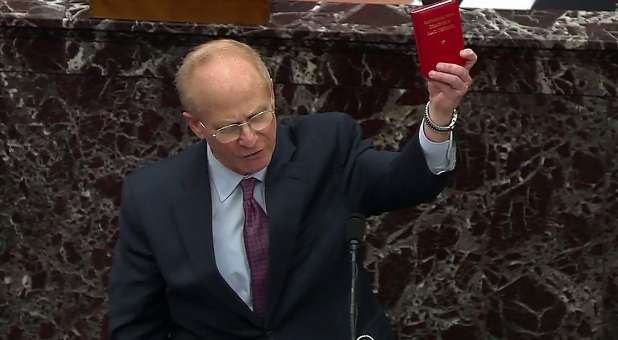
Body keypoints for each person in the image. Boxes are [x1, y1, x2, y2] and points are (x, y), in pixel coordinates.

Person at [108, 39, 477, 340]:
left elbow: (406, 181)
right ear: (197, 126)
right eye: (229, 128)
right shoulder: (152, 198)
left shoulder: (325, 146)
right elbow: (135, 326)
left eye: (258, 116)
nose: (250, 139)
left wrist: (440, 115)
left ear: (272, 94)